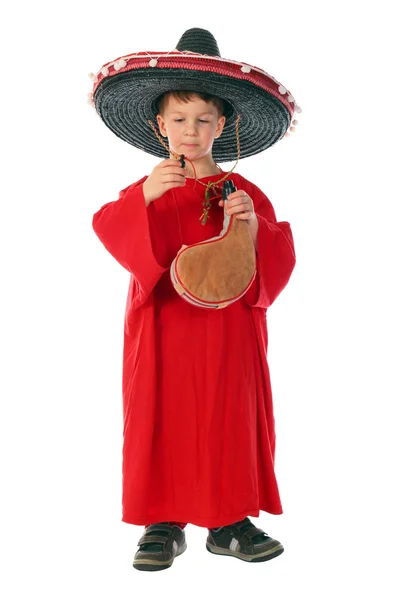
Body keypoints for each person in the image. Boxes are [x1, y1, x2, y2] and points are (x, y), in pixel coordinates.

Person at [89, 27, 300, 572]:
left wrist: (250, 230)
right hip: (164, 325)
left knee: (227, 412)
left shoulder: (244, 193)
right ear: (159, 124)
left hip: (229, 329)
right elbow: (111, 230)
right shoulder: (150, 187)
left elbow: (277, 261)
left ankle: (229, 521)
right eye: (179, 120)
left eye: (203, 120)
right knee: (162, 412)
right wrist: (144, 197)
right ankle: (162, 521)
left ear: (222, 125)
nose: (190, 131)